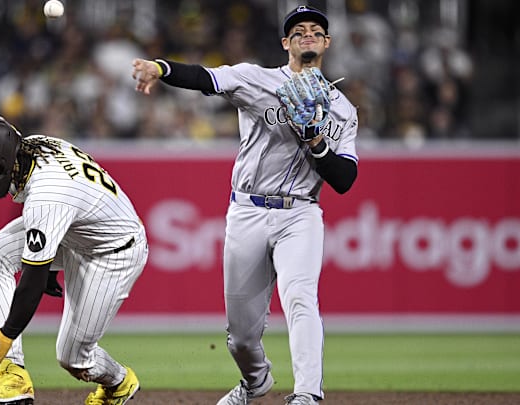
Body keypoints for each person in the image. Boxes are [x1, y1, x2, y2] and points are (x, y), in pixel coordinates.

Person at [131, 5, 358, 405]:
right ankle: (255, 382)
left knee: (300, 295)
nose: (308, 34)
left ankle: (308, 394)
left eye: (316, 30)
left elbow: (345, 180)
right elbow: (207, 78)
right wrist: (160, 68)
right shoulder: (257, 79)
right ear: (285, 43)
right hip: (248, 210)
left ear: (326, 43)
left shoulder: (343, 109)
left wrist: (316, 142)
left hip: (301, 212)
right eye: (298, 31)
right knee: (240, 337)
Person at [0, 115, 148, 405]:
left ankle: (119, 383)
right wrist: (47, 256)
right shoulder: (33, 148)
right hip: (76, 231)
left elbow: (30, 287)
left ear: (0, 165)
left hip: (112, 253)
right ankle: (12, 376)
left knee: (74, 359)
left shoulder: (48, 195)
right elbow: (64, 210)